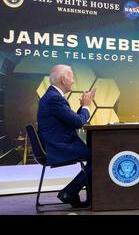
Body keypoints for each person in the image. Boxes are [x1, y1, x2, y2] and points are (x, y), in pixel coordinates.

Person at [37, 64, 96, 208]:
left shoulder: (53, 96)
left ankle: (71, 192)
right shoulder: (54, 98)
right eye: (72, 77)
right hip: (59, 146)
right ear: (63, 80)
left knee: (97, 156)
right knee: (101, 158)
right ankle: (69, 192)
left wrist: (83, 106)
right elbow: (77, 122)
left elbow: (70, 119)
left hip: (58, 143)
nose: (73, 81)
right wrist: (87, 106)